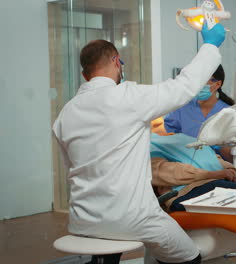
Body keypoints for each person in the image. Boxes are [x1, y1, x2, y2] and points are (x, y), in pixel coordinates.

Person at [52, 22, 226, 264]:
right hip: (134, 218)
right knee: (188, 256)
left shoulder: (66, 113)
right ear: (116, 61)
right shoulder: (128, 97)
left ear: (85, 74)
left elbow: (73, 166)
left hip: (84, 218)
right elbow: (183, 87)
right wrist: (209, 45)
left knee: (107, 246)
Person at [164, 65, 235, 162]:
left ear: (217, 84)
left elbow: (233, 157)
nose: (198, 84)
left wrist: (218, 145)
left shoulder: (227, 113)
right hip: (186, 165)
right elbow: (168, 141)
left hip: (218, 167)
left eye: (203, 80)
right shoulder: (182, 108)